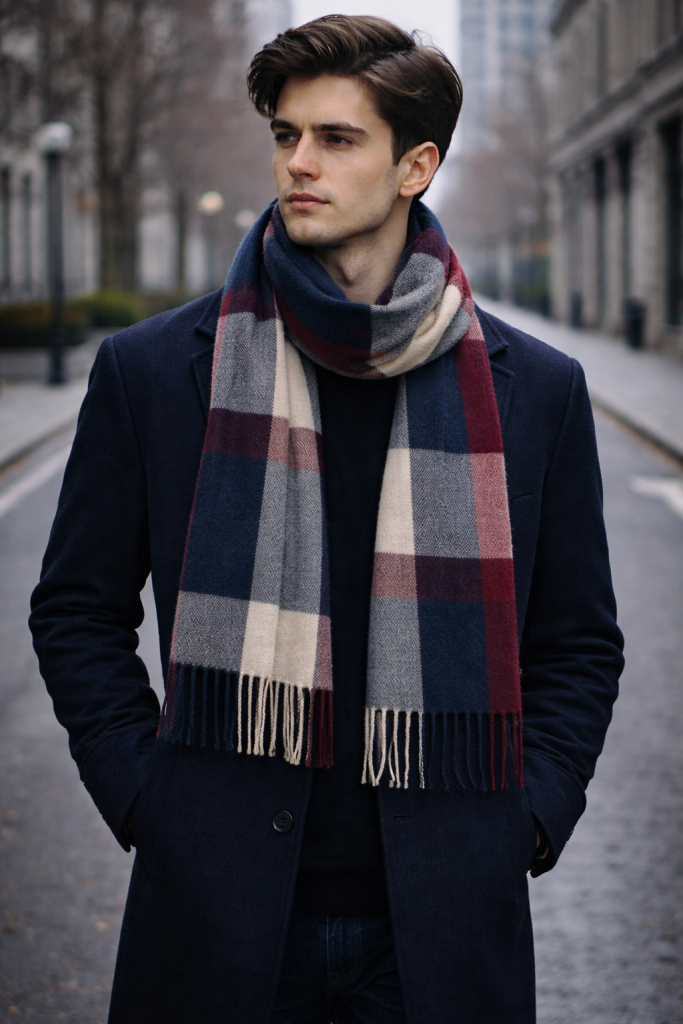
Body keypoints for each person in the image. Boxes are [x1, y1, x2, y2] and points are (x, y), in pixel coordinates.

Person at [30, 15, 624, 1024]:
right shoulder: (153, 373)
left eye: (336, 139)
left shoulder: (535, 392)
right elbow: (76, 611)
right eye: (285, 134)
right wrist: (148, 801)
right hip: (218, 910)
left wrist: (524, 820)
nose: (297, 163)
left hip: (435, 923)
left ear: (414, 166)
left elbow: (576, 643)